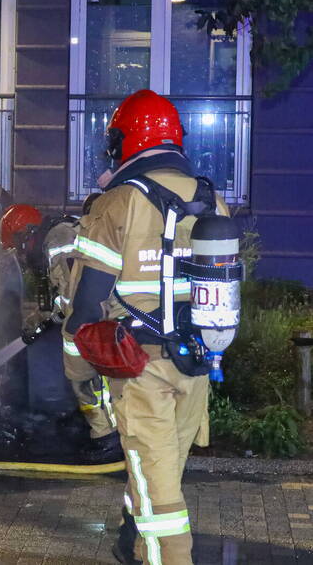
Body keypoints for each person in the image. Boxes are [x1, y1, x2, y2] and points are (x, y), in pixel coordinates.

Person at [61, 89, 229, 565]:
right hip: (197, 363)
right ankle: (129, 545)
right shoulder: (209, 198)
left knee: (161, 507)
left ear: (125, 141)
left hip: (138, 371)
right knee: (159, 477)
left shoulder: (119, 202)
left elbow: (87, 304)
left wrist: (77, 372)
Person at [1, 197, 121, 463]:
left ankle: (108, 439)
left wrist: (47, 319)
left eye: (18, 247)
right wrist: (40, 318)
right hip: (97, 312)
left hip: (92, 316)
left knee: (87, 379)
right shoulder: (55, 236)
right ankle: (107, 434)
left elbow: (72, 291)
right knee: (96, 380)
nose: (21, 255)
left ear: (25, 234)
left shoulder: (57, 241)